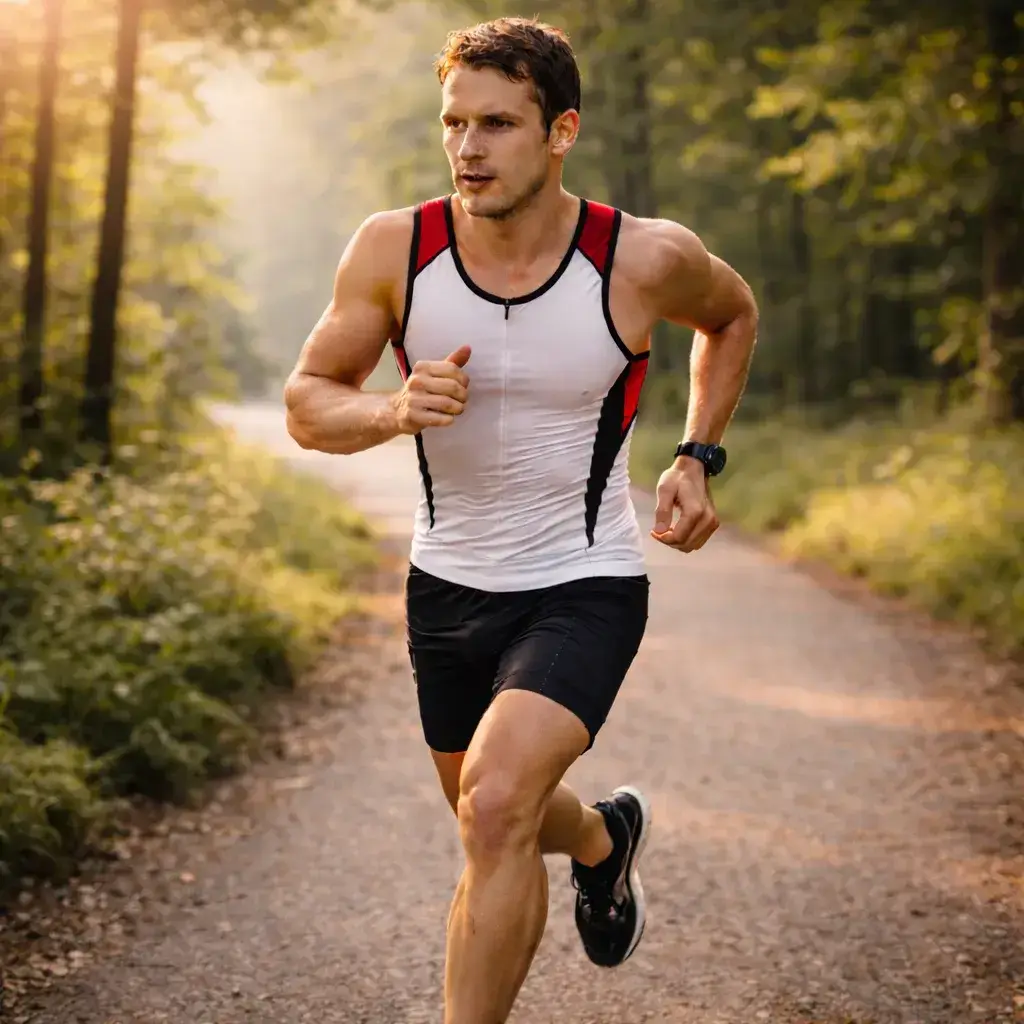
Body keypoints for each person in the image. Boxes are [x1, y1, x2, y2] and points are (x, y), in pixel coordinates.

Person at [283, 15, 758, 1024]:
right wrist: (389, 410)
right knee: (490, 805)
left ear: (561, 131)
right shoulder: (393, 248)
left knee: (494, 807)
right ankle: (599, 839)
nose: (467, 147)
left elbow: (731, 314)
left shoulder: (638, 258)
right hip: (445, 584)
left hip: (582, 579)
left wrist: (694, 453)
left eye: (497, 123)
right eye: (455, 123)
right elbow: (308, 401)